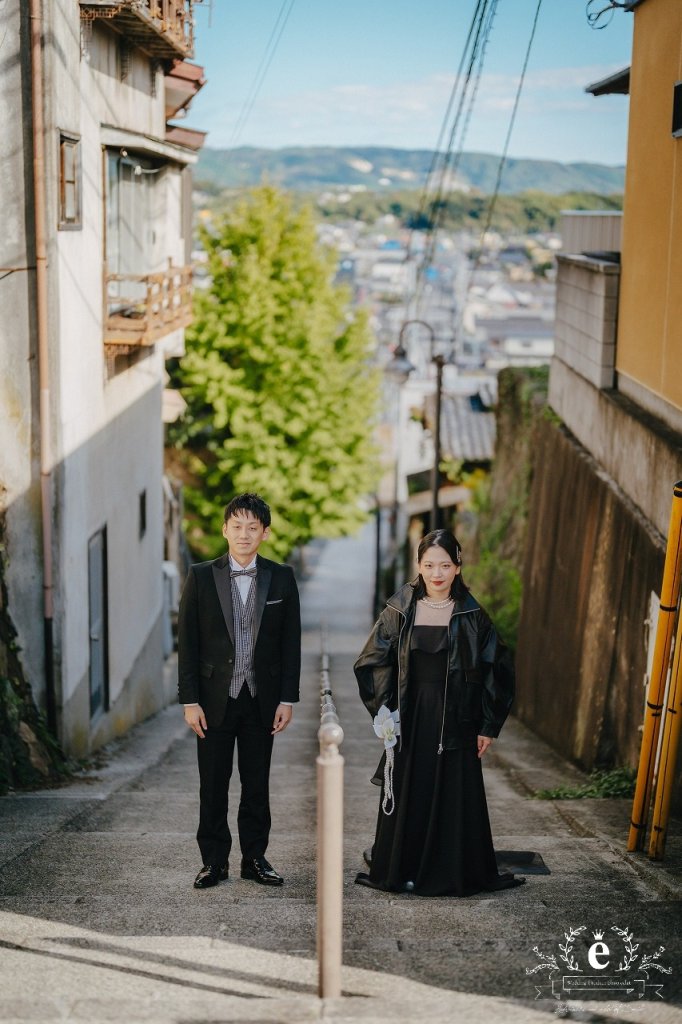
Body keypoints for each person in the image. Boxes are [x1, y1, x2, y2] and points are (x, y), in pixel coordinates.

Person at [354, 528, 524, 896]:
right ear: (418, 566)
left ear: (458, 567)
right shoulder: (399, 609)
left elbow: (499, 669)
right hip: (411, 718)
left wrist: (488, 725)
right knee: (409, 789)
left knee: (452, 794)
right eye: (429, 565)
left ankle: (449, 870)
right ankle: (403, 867)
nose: (437, 573)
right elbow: (371, 661)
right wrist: (384, 714)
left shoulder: (473, 614)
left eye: (445, 565)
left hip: (456, 720)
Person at [178, 493, 301, 890]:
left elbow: (290, 642)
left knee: (257, 782)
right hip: (213, 701)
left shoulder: (281, 577)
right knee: (212, 783)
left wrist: (287, 698)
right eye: (237, 526)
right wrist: (189, 700)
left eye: (253, 527)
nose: (244, 534)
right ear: (224, 530)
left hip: (260, 699)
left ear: (264, 532)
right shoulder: (200, 576)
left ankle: (254, 858)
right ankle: (213, 862)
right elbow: (189, 643)